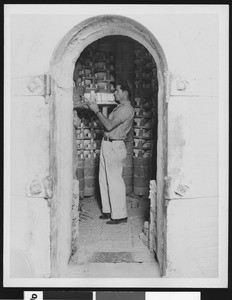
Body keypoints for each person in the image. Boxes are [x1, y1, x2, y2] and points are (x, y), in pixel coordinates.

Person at [88, 81, 134, 224]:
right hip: (107, 143)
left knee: (115, 181)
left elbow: (108, 125)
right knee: (104, 179)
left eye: (117, 91)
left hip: (115, 145)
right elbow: (107, 122)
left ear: (125, 93)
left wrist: (96, 111)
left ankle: (120, 215)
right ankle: (108, 211)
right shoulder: (118, 108)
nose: (115, 93)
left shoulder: (127, 109)